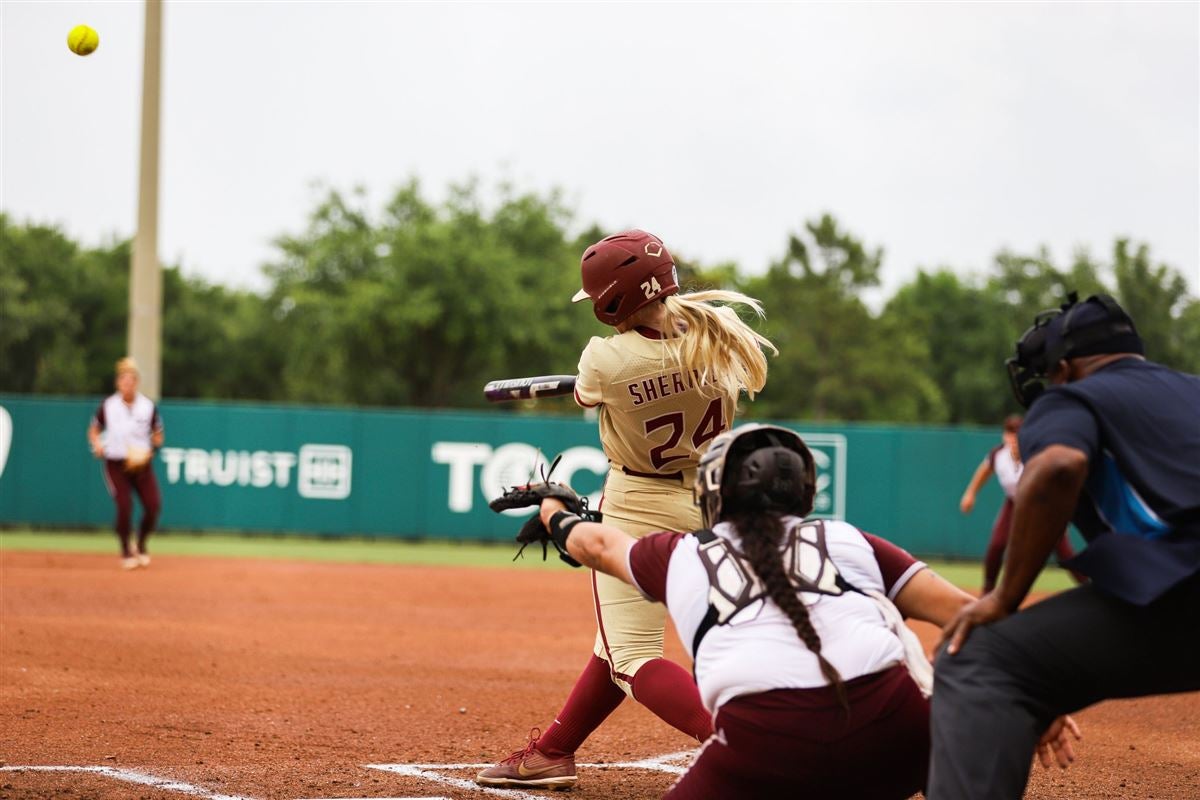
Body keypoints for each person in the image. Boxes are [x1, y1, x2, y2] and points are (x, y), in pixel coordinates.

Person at [504, 424, 1076, 799]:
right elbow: (969, 612)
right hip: (896, 731)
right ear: (804, 491)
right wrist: (1037, 694)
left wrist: (559, 511)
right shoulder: (850, 539)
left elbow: (597, 545)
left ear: (713, 494)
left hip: (763, 745)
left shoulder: (681, 554)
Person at [477, 230, 777, 789]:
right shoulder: (719, 335)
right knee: (616, 641)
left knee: (632, 655)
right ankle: (552, 752)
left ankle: (747, 750)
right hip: (717, 502)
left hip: (641, 503)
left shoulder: (606, 358)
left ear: (611, 300)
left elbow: (593, 392)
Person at [930, 294, 1200, 799]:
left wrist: (1005, 598)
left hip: (1186, 588)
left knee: (979, 660)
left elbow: (1057, 468)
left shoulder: (1074, 396)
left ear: (1068, 366)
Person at [959, 414, 1080, 592]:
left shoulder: (1036, 453)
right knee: (998, 544)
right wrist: (970, 493)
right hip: (1014, 502)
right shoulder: (998, 455)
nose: (1013, 438)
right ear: (1004, 435)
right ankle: (987, 591)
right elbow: (984, 470)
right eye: (1009, 433)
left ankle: (1088, 584)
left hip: (1042, 505)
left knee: (1062, 549)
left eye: (1017, 433)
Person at [87, 357, 164, 570]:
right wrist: (97, 444)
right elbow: (94, 430)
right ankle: (125, 550)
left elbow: (158, 434)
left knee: (153, 505)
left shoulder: (147, 407)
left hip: (140, 464)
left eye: (131, 380)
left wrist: (151, 450)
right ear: (118, 383)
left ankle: (140, 543)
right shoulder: (108, 406)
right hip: (115, 462)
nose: (127, 384)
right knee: (124, 506)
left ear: (136, 382)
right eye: (123, 380)